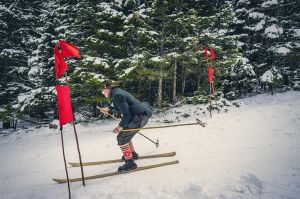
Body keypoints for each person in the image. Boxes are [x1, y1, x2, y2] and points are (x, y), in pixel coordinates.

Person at [99, 80, 153, 172]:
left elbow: (127, 114)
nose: (102, 93)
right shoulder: (117, 92)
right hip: (141, 116)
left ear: (107, 88)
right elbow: (119, 105)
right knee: (125, 135)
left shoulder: (117, 95)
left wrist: (119, 127)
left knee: (122, 138)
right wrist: (107, 109)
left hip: (139, 117)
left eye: (103, 90)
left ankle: (130, 163)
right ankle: (132, 154)